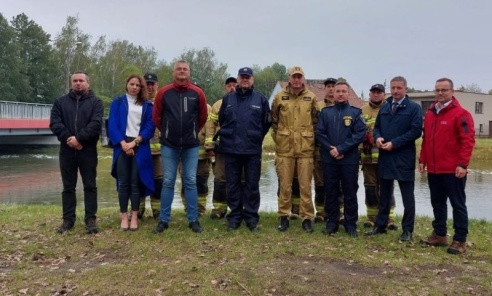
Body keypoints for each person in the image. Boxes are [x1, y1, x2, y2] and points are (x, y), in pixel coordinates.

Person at [419, 77, 475, 254]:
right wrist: (423, 160)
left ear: (452, 91)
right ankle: (440, 234)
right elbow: (426, 139)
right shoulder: (430, 114)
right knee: (437, 203)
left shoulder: (461, 114)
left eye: (444, 90)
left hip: (453, 169)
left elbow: (468, 140)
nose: (440, 93)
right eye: (437, 90)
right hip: (434, 169)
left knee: (458, 204)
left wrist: (462, 164)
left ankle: (460, 240)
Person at [152, 60, 208, 234]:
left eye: (185, 69)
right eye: (179, 69)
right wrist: (168, 132)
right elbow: (157, 118)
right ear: (173, 71)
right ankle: (163, 220)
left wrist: (191, 132)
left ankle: (193, 220)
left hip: (191, 145)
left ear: (189, 72)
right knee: (168, 181)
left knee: (190, 181)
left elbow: (202, 117)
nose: (182, 72)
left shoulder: (197, 93)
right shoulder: (163, 93)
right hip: (169, 145)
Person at [366, 76, 422, 242]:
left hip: (403, 157)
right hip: (386, 157)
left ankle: (407, 230)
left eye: (399, 88)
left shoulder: (413, 108)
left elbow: (415, 131)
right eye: (393, 88)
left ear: (405, 88)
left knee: (407, 197)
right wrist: (378, 138)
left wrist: (394, 143)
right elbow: (376, 128)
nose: (396, 91)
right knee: (384, 194)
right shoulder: (385, 107)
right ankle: (380, 225)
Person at [217, 67, 271, 232]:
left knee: (252, 185)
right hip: (231, 150)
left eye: (248, 77)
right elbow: (222, 120)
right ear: (238, 79)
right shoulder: (228, 99)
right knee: (232, 185)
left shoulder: (261, 100)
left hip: (252, 150)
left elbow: (266, 123)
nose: (245, 79)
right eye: (242, 77)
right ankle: (234, 218)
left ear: (252, 79)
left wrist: (255, 137)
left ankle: (251, 218)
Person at [50, 71, 103, 234]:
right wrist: (70, 140)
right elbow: (55, 124)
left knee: (90, 185)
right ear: (71, 84)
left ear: (88, 83)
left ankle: (90, 219)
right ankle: (68, 219)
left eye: (81, 80)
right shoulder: (60, 102)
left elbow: (96, 124)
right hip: (66, 150)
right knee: (68, 186)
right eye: (75, 81)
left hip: (87, 150)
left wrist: (79, 139)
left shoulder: (96, 103)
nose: (78, 83)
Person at [316, 81, 366, 237]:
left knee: (350, 192)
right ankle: (332, 222)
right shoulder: (325, 112)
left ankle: (350, 224)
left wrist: (341, 149)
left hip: (348, 159)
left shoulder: (355, 113)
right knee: (330, 191)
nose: (340, 94)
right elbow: (320, 133)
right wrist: (332, 149)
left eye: (343, 91)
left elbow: (359, 134)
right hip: (329, 158)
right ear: (333, 93)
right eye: (337, 91)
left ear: (348, 93)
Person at [271, 66, 317, 233]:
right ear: (289, 78)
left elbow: (316, 122)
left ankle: (307, 218)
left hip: (305, 150)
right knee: (285, 186)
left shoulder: (311, 98)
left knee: (305, 186)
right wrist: (280, 139)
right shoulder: (279, 97)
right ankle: (284, 217)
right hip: (285, 149)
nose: (297, 80)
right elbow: (274, 122)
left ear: (303, 79)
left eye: (300, 77)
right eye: (294, 77)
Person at [108, 74, 155, 231]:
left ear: (141, 88)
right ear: (127, 85)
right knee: (123, 182)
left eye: (138, 85)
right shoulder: (118, 102)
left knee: (135, 182)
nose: (134, 87)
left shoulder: (147, 105)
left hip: (139, 145)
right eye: (132, 84)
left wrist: (134, 143)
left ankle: (134, 216)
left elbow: (150, 126)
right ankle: (124, 216)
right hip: (121, 145)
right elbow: (112, 125)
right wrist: (123, 144)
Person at [361, 84, 398, 230]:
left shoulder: (390, 108)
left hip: (386, 156)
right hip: (368, 157)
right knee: (370, 188)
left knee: (387, 188)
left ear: (384, 94)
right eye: (373, 92)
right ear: (370, 94)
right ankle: (371, 217)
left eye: (379, 92)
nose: (376, 95)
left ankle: (389, 218)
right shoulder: (362, 110)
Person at [205, 77, 238, 219]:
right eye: (229, 85)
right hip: (221, 149)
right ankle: (219, 209)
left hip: (239, 149)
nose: (232, 88)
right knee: (220, 179)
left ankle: (237, 208)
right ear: (225, 88)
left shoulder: (244, 102)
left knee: (239, 179)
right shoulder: (218, 105)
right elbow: (210, 126)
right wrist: (210, 146)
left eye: (234, 85)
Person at [137, 72, 162, 219]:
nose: (150, 87)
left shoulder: (163, 100)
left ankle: (157, 210)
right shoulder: (137, 101)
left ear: (157, 85)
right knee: (139, 178)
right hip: (141, 148)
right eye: (147, 84)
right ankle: (138, 209)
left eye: (152, 84)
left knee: (159, 180)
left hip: (160, 151)